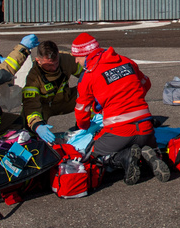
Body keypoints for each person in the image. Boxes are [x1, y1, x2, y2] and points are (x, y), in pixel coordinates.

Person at [72, 33, 170, 185]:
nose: (76, 61)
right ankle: (150, 153)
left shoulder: (88, 74)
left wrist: (84, 126)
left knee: (92, 154)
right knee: (140, 140)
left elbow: (82, 110)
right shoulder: (126, 61)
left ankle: (125, 157)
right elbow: (146, 83)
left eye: (76, 57)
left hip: (119, 131)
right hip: (146, 128)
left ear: (84, 55)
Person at [21, 40, 84, 144]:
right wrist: (37, 125)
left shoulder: (66, 60)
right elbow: (31, 105)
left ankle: (85, 128)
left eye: (56, 63)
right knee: (26, 121)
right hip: (44, 107)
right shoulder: (33, 77)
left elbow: (88, 73)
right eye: (49, 65)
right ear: (38, 61)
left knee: (90, 94)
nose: (54, 68)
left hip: (66, 99)